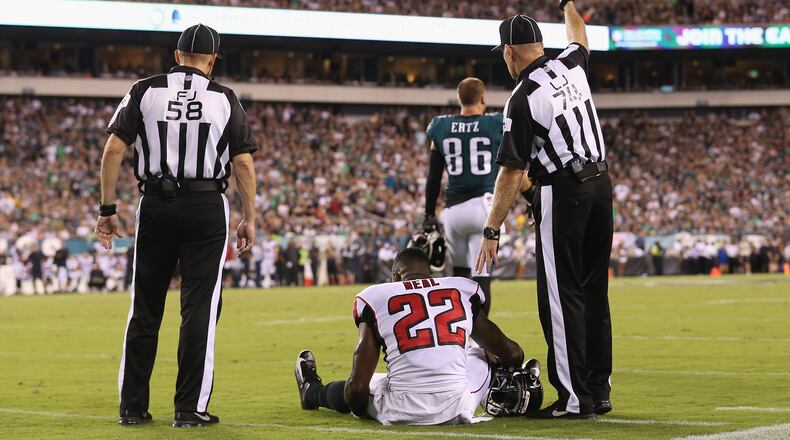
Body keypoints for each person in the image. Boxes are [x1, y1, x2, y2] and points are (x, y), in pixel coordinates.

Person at [95, 24, 258, 427]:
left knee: (145, 308)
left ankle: (132, 407)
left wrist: (107, 207)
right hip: (206, 204)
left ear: (176, 55)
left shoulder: (145, 89)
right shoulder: (224, 97)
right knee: (199, 308)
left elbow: (114, 147)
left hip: (155, 202)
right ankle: (188, 408)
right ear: (213, 59)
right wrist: (249, 216)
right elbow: (242, 162)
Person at [477, 2, 613, 419]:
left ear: (510, 51)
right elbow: (579, 36)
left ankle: (575, 399)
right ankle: (597, 388)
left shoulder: (522, 98)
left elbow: (510, 172)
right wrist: (568, 4)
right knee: (593, 292)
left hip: (563, 192)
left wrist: (491, 228)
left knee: (560, 297)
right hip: (601, 186)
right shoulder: (571, 64)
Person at [293, 248, 542, 425]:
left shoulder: (377, 296)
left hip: (401, 408)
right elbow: (513, 353)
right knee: (477, 350)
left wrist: (363, 412)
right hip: (458, 405)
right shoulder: (459, 288)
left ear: (396, 277)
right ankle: (507, 392)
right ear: (430, 274)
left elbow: (357, 390)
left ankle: (313, 392)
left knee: (362, 384)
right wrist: (502, 365)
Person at [423, 77, 528, 315]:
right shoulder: (495, 123)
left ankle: (459, 336)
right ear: (482, 98)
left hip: (453, 213)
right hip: (483, 208)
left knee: (459, 278)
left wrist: (428, 213)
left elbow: (433, 177)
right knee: (481, 279)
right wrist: (531, 197)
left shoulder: (441, 125)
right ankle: (480, 344)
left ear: (460, 99)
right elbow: (513, 167)